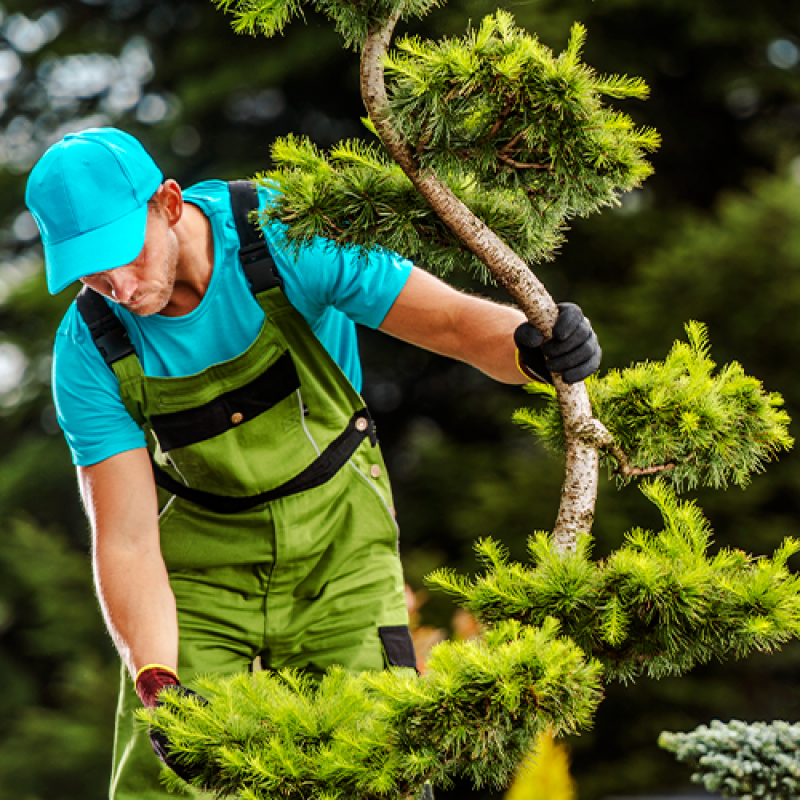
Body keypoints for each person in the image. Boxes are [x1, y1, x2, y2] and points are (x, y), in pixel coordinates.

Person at [25, 127, 601, 799]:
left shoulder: (287, 233)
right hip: (202, 582)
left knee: (375, 764)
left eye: (124, 254)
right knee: (168, 773)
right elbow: (125, 539)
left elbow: (451, 325)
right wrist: (157, 683)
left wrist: (533, 348)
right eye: (92, 272)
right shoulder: (90, 348)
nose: (117, 284)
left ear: (170, 204)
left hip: (341, 552)